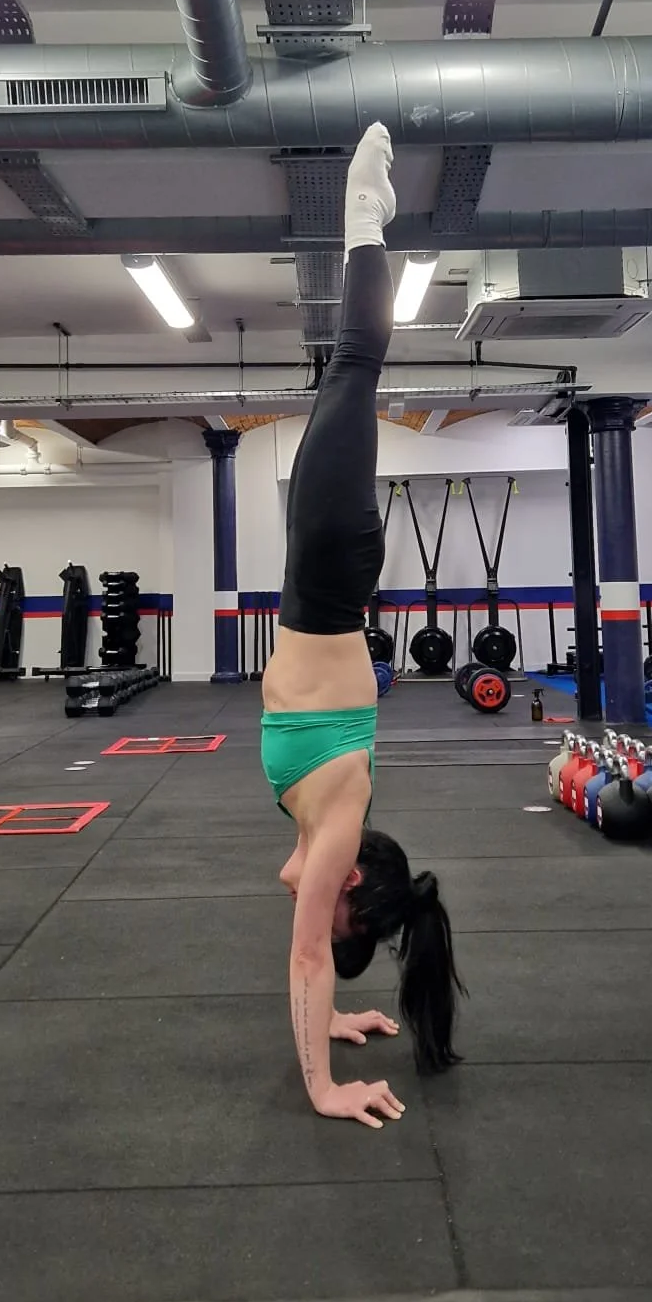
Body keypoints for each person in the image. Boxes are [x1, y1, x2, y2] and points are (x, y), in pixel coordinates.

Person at [261, 122, 465, 1129]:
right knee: (356, 358)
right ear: (356, 890)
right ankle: (364, 218)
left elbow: (309, 940)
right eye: (343, 921)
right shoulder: (336, 821)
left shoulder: (319, 827)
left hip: (326, 573)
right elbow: (308, 946)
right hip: (330, 568)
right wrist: (323, 1086)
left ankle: (366, 224)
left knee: (349, 369)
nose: (307, 904)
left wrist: (335, 1015)